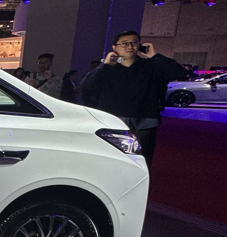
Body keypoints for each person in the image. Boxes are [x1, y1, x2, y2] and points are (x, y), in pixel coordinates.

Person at [80, 31, 188, 166]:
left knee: (142, 161)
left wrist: (154, 56)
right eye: (124, 43)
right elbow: (86, 85)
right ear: (114, 47)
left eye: (134, 42)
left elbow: (180, 73)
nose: (130, 46)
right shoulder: (107, 68)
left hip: (144, 121)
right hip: (113, 121)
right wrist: (105, 64)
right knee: (110, 160)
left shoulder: (150, 66)